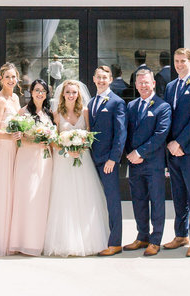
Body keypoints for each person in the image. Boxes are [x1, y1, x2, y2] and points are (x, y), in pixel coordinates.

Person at [43, 79, 108, 256]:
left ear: (78, 94)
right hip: (63, 161)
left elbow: (89, 135)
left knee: (84, 197)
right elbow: (53, 140)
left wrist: (80, 147)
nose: (71, 95)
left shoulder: (85, 111)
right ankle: (65, 241)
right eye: (68, 92)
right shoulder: (56, 114)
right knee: (64, 199)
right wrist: (66, 149)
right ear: (62, 95)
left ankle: (87, 240)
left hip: (82, 160)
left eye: (74, 92)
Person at [161, 47, 190, 257]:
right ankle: (181, 235)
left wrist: (180, 143)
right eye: (176, 61)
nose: (179, 64)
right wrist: (170, 143)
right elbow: (167, 117)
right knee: (178, 195)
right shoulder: (171, 86)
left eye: (183, 61)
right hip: (173, 151)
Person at [122, 68, 172, 256]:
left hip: (153, 163)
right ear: (135, 85)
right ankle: (141, 236)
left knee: (156, 201)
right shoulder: (131, 106)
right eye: (140, 82)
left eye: (146, 82)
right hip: (134, 163)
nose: (143, 85)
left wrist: (140, 152)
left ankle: (155, 239)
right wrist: (130, 154)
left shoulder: (162, 106)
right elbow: (125, 133)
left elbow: (161, 134)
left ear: (153, 83)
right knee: (139, 201)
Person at [8, 79, 55, 255]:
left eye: (43, 90)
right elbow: (17, 137)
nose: (40, 93)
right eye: (37, 90)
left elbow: (53, 139)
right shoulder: (23, 112)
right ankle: (23, 241)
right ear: (31, 92)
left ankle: (38, 241)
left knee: (41, 199)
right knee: (26, 198)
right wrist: (34, 138)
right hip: (27, 159)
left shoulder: (49, 114)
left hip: (44, 160)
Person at [88, 65, 127, 255]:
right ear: (94, 79)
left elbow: (120, 134)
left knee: (112, 201)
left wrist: (113, 159)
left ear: (111, 79)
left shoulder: (117, 102)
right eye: (99, 77)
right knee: (96, 200)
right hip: (91, 161)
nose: (101, 80)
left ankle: (115, 242)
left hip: (107, 162)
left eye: (105, 77)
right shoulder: (90, 103)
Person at [0, 62, 22, 256]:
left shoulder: (16, 98)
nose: (10, 80)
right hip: (2, 149)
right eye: (7, 77)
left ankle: (12, 237)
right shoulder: (0, 100)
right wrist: (9, 136)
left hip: (15, 149)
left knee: (13, 191)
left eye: (13, 76)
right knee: (3, 190)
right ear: (1, 79)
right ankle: (0, 240)